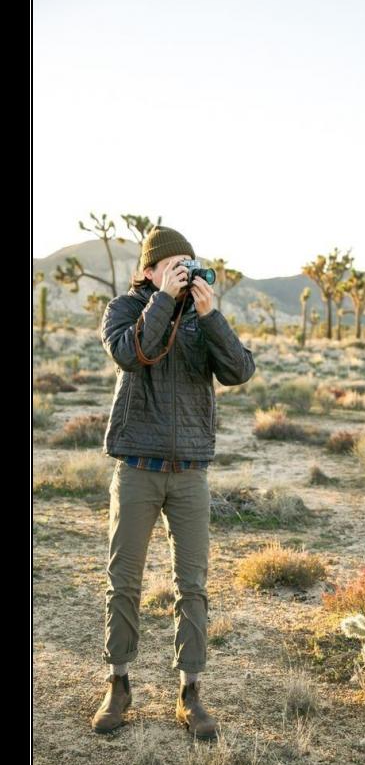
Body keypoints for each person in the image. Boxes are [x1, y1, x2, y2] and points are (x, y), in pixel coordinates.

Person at [91, 225, 255, 739]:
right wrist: (162, 300)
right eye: (173, 265)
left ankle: (190, 691)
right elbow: (130, 352)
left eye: (190, 263)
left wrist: (211, 316)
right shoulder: (123, 308)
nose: (184, 272)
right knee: (125, 582)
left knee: (193, 587)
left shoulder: (199, 317)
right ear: (149, 270)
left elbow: (239, 371)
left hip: (190, 474)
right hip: (137, 467)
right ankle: (118, 684)